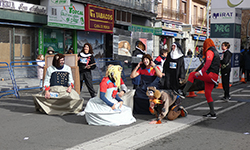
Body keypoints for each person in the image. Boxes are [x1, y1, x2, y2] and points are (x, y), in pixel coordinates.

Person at [178, 39, 220, 119]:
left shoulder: (209, 51)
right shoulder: (216, 52)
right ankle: (212, 113)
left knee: (192, 74)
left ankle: (183, 92)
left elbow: (208, 63)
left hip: (210, 75)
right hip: (214, 76)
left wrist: (200, 72)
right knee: (207, 93)